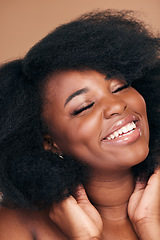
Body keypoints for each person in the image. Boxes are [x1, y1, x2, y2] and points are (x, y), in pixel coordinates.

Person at [0, 10, 159, 240]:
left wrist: (149, 227)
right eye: (84, 107)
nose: (115, 105)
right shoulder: (13, 224)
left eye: (119, 87)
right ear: (51, 143)